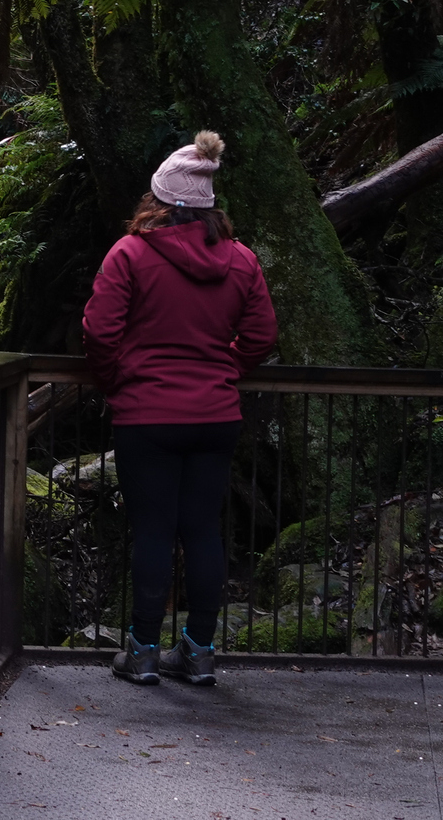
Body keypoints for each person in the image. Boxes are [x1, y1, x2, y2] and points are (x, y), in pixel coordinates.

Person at [81, 131, 277, 686]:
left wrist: (119, 378)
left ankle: (143, 651)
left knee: (152, 531)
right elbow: (261, 336)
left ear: (159, 199)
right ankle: (198, 651)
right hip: (215, 416)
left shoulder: (131, 254)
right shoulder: (241, 260)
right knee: (203, 533)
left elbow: (100, 330)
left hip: (147, 414)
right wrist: (224, 370)